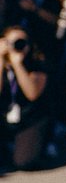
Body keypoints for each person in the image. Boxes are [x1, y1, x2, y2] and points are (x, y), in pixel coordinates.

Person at [0, 25, 50, 172]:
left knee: (24, 162)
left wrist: (17, 65)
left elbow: (32, 93)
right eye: (11, 42)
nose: (16, 46)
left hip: (31, 120)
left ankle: (45, 143)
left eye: (21, 42)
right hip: (5, 120)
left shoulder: (36, 63)